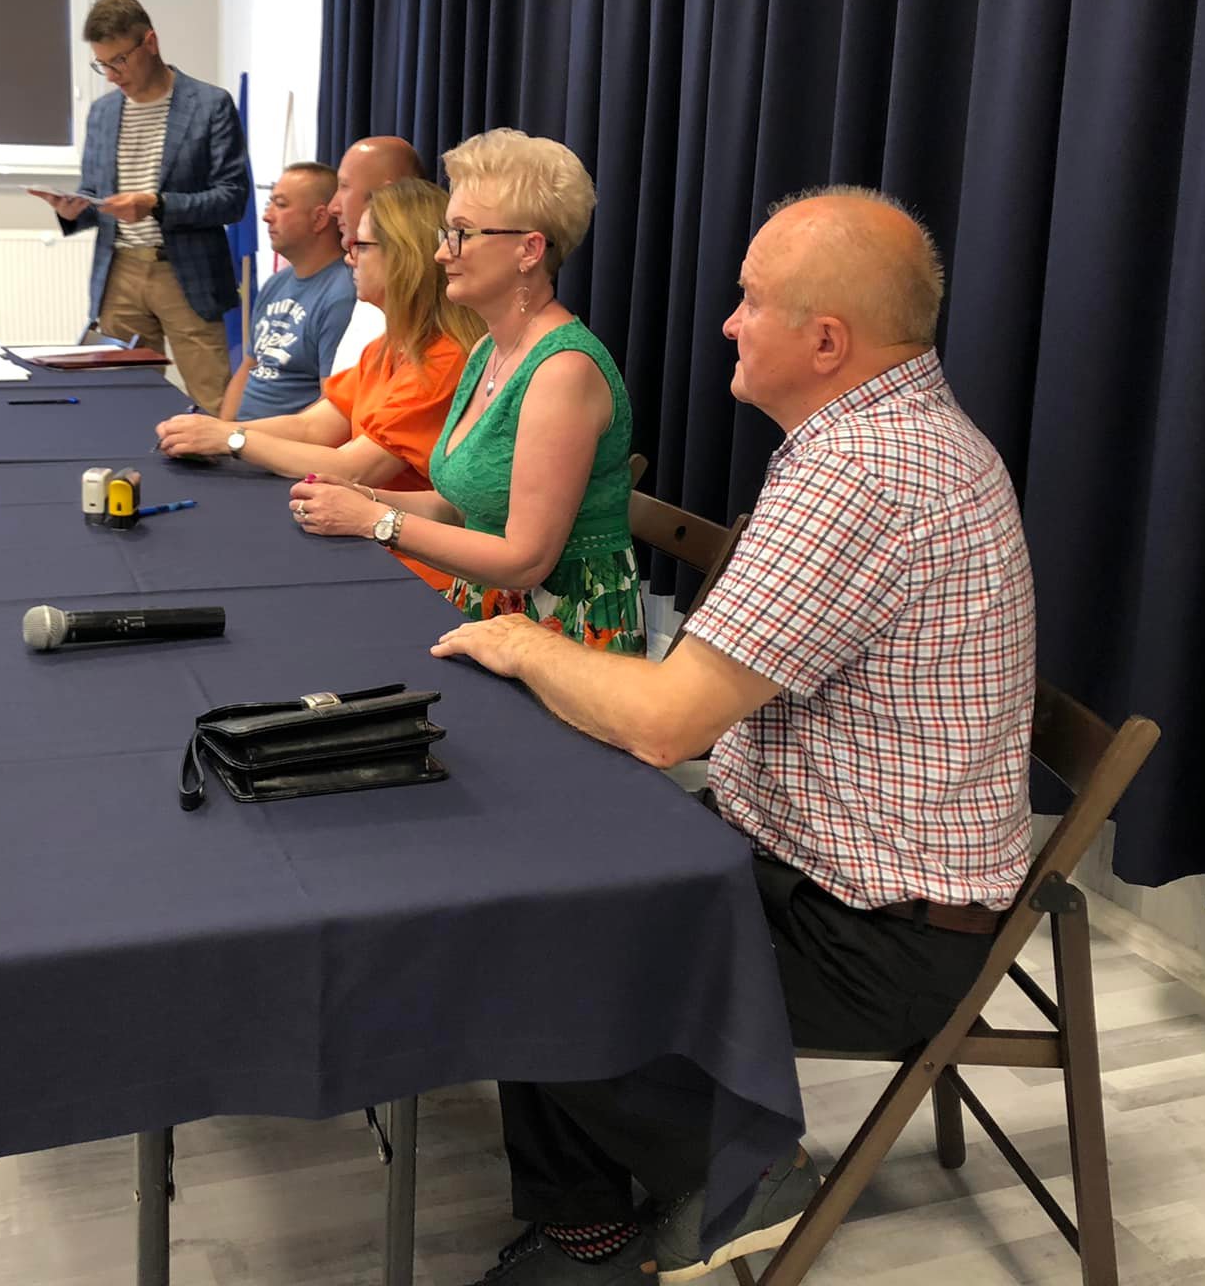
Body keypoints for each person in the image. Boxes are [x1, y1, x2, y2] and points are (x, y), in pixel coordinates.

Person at [427, 188, 1038, 1284]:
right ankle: (590, 1226)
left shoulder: (863, 471)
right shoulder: (870, 438)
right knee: (526, 877)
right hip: (808, 863)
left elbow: (667, 724)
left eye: (750, 301)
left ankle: (733, 1164)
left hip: (871, 933)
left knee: (513, 939)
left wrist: (518, 644)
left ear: (825, 340)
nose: (727, 322)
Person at [288, 130, 644, 653]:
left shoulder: (562, 371)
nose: (439, 253)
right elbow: (465, 509)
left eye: (460, 234)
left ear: (529, 249)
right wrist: (369, 498)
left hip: (564, 635)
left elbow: (525, 559)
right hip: (491, 616)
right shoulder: (487, 351)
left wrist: (376, 521)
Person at [155, 179, 484, 589]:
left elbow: (355, 468)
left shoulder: (443, 358)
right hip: (367, 535)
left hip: (414, 560)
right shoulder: (386, 347)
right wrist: (215, 432)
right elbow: (312, 426)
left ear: (403, 257)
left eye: (360, 247)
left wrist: (232, 439)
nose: (349, 259)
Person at [34, 0, 250, 415]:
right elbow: (94, 193)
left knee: (211, 399)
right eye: (102, 64)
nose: (112, 75)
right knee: (122, 400)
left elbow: (232, 199)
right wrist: (72, 211)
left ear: (150, 42)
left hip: (185, 273)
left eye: (119, 61)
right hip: (119, 274)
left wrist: (156, 204)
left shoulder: (210, 105)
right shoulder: (102, 113)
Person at [217, 161, 356, 421]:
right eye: (270, 203)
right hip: (240, 438)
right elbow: (248, 367)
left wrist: (233, 437)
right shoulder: (275, 284)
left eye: (280, 205)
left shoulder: (343, 295)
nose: (266, 216)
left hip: (278, 442)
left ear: (319, 219)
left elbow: (330, 407)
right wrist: (219, 431)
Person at [328, 134, 430, 367]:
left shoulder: (425, 328)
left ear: (384, 196)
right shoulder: (372, 294)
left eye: (344, 186)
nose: (332, 206)